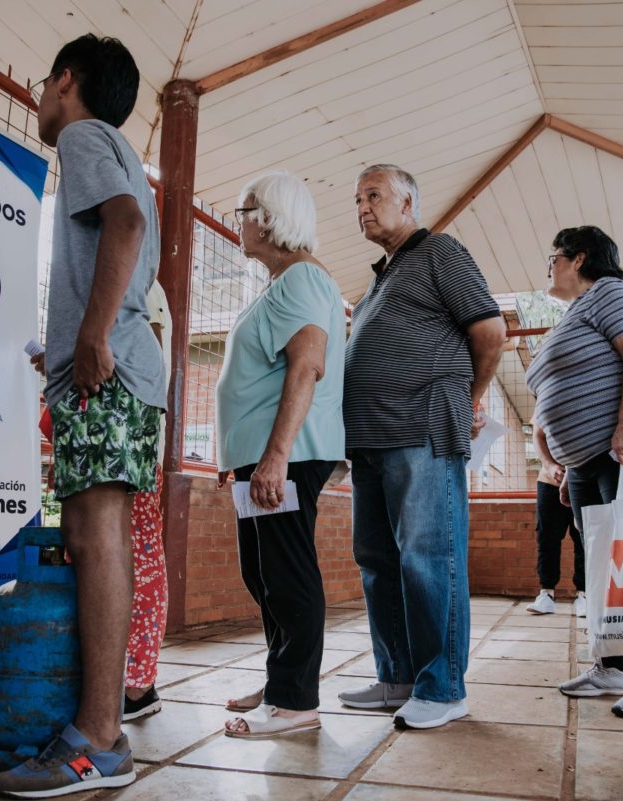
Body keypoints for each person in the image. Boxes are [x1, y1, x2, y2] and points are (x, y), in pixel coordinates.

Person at [0, 35, 164, 798]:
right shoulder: (117, 148)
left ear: (67, 81)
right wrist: (75, 338)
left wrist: (91, 334)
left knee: (95, 538)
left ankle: (97, 737)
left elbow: (123, 225)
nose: (40, 99)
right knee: (101, 537)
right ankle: (97, 726)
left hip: (109, 369)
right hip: (115, 370)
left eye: (43, 81)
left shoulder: (87, 136)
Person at [340, 164, 506, 730]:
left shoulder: (441, 252)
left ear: (408, 201)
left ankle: (442, 688)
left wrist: (471, 396)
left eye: (374, 195)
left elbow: (490, 331)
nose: (362, 206)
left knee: (428, 560)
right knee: (378, 561)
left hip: (423, 428)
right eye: (357, 198)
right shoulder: (382, 277)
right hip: (368, 440)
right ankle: (398, 677)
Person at [527, 225, 623, 718]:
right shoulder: (573, 313)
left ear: (578, 258)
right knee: (605, 563)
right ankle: (614, 665)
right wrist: (564, 463)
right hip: (586, 461)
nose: (548, 266)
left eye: (553, 257)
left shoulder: (612, 293)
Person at [212, 171, 344, 739]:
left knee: (286, 573)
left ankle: (295, 702)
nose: (235, 221)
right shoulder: (282, 282)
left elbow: (306, 365)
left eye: (243, 210)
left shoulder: (304, 280)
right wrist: (239, 452)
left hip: (286, 455)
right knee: (262, 571)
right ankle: (280, 678)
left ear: (268, 216)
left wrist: (273, 457)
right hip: (263, 455)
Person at [121, 279, 171, 722]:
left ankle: (139, 684)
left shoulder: (141, 282)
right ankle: (128, 677)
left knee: (143, 559)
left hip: (130, 442)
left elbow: (149, 352)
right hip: (112, 441)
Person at [526, 421, 586, 617]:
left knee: (584, 538)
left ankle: (584, 595)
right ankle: (546, 594)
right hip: (549, 480)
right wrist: (550, 466)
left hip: (584, 477)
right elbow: (538, 435)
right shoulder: (546, 396)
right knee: (547, 538)